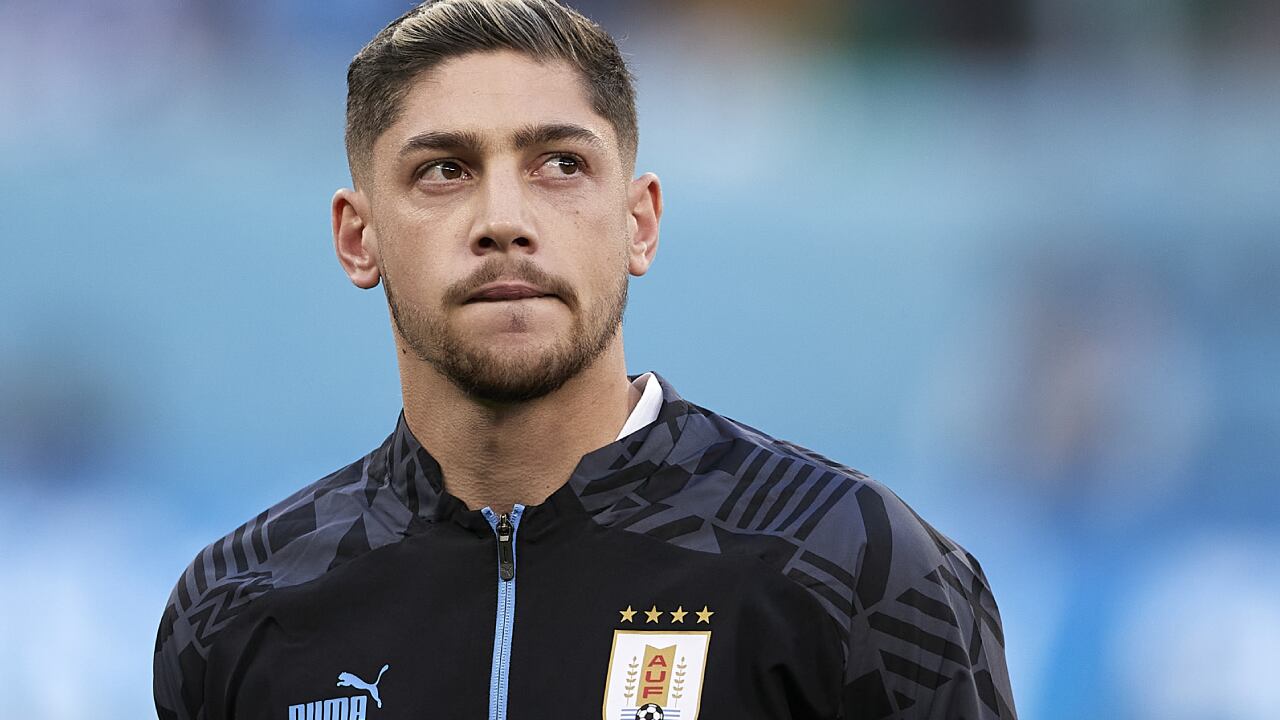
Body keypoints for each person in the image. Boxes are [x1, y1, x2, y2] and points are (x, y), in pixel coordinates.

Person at [152, 1, 1017, 718]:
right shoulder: (235, 606)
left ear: (638, 221)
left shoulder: (855, 565)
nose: (503, 218)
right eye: (445, 170)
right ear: (358, 236)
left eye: (560, 164)